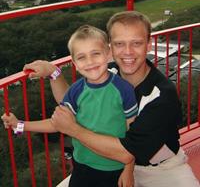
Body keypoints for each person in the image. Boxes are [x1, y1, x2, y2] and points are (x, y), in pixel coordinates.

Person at [24, 11, 199, 187]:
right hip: (108, 163)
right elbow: (74, 104)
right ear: (110, 49)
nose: (128, 52)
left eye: (136, 43)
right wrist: (54, 73)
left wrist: (73, 129)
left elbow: (126, 151)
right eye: (119, 44)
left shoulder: (162, 95)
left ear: (149, 45)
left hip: (159, 169)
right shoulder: (109, 72)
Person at [2, 25, 138, 187]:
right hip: (82, 163)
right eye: (81, 57)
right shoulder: (76, 91)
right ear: (74, 63)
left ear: (108, 54)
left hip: (114, 167)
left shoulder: (124, 90)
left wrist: (129, 168)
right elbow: (58, 123)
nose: (90, 62)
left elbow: (134, 134)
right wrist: (19, 125)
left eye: (96, 54)